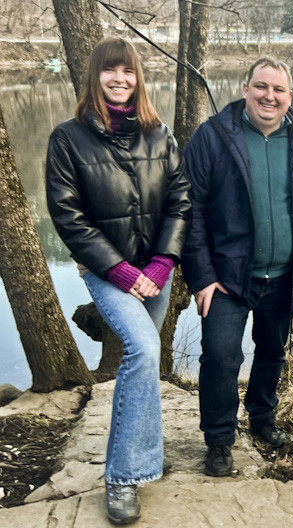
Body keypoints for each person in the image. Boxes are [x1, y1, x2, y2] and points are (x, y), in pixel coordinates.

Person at [46, 37, 191, 525]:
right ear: (96, 76)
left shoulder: (160, 134)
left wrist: (161, 264)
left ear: (138, 78)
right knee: (144, 350)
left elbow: (180, 202)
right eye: (110, 71)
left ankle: (140, 455)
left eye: (128, 71)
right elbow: (67, 216)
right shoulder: (68, 138)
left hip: (156, 272)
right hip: (109, 273)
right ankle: (123, 475)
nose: (120, 79)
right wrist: (122, 270)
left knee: (146, 359)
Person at [182, 57, 293, 477]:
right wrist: (202, 276)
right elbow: (190, 211)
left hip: (283, 274)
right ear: (245, 89)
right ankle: (220, 440)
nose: (269, 96)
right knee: (221, 357)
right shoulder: (212, 137)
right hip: (226, 278)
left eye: (278, 90)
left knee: (272, 351)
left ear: (289, 97)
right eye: (261, 87)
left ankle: (262, 419)